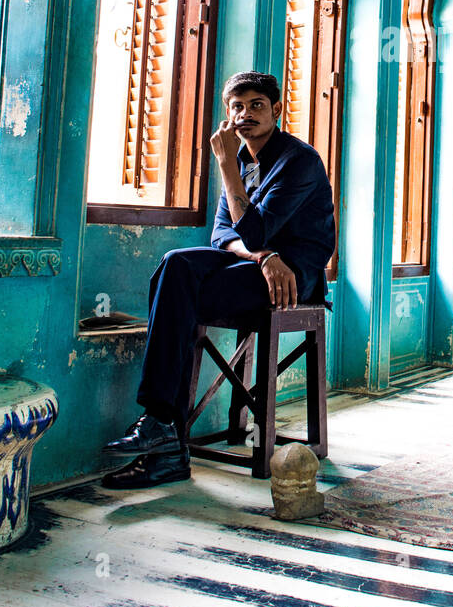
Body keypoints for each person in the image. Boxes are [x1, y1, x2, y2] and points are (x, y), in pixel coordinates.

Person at [101, 71, 336, 489]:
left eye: (257, 105)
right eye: (237, 107)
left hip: (295, 277)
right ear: (228, 114)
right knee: (177, 265)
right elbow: (222, 235)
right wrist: (263, 255)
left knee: (181, 292)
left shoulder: (298, 161)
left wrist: (227, 166)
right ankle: (160, 423)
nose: (246, 114)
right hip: (259, 266)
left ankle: (166, 444)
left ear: (276, 110)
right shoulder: (241, 162)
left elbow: (254, 230)